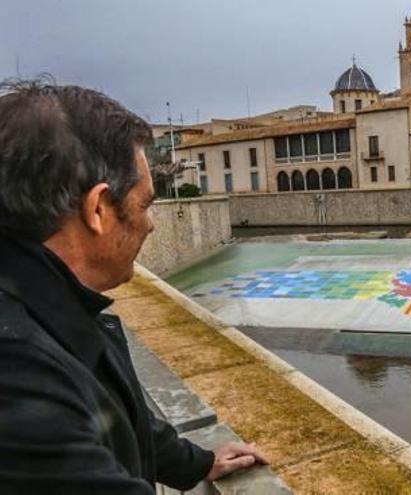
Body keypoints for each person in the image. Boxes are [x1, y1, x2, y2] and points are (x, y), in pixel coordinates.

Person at [0, 78, 267, 493]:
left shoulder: (43, 304)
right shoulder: (19, 369)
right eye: (144, 204)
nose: (151, 223)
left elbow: (114, 409)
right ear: (99, 209)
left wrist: (197, 463)